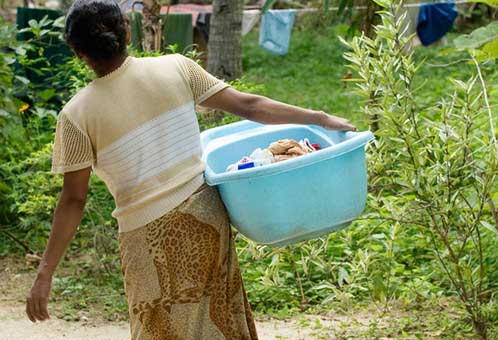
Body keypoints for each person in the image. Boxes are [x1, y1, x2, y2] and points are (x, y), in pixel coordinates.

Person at [24, 0, 356, 338]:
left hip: (144, 236)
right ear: (126, 29)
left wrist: (45, 273)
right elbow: (250, 105)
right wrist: (319, 118)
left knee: (159, 329)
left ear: (77, 52)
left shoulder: (75, 115)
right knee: (221, 320)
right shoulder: (176, 68)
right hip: (204, 218)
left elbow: (73, 201)